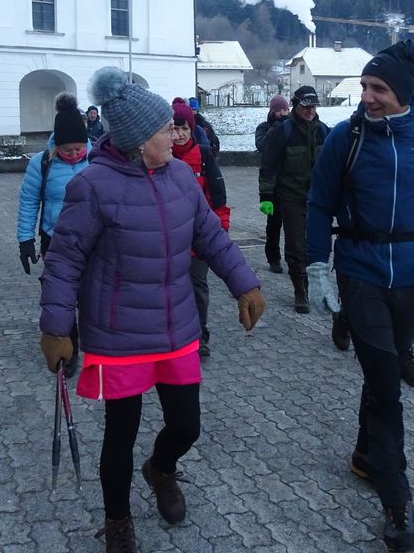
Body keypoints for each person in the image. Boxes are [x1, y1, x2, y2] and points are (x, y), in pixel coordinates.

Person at [38, 67, 265, 552]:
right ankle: (118, 519)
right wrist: (57, 328)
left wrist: (244, 284)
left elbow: (210, 235)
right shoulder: (93, 186)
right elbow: (63, 261)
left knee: (187, 425)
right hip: (118, 333)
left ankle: (160, 468)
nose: (176, 134)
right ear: (141, 141)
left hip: (176, 324)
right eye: (166, 128)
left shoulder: (181, 175)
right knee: (120, 434)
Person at [305, 40, 414, 552]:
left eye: (378, 88)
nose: (367, 96)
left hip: (411, 276)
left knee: (383, 372)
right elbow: (318, 204)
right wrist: (318, 269)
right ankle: (396, 498)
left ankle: (366, 454)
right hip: (359, 272)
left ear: (403, 92)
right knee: (387, 384)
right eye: (364, 86)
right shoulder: (346, 139)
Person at [16, 93, 91, 377]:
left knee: (91, 296)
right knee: (61, 299)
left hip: (94, 240)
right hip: (56, 240)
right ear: (56, 145)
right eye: (67, 150)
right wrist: (25, 239)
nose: (73, 154)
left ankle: (98, 345)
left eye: (78, 149)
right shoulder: (42, 163)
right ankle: (68, 350)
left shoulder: (98, 159)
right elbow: (29, 201)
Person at [258, 85, 329, 313]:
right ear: (296, 106)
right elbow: (268, 166)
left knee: (316, 245)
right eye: (306, 106)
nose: (310, 111)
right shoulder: (282, 132)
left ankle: (316, 283)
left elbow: (334, 167)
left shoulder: (324, 132)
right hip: (290, 197)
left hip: (317, 200)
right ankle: (300, 291)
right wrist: (266, 196)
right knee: (296, 246)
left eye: (313, 106)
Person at [171, 99, 231, 359]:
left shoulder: (204, 156)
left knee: (197, 286)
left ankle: (199, 334)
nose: (180, 134)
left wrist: (221, 229)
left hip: (199, 237)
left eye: (184, 128)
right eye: (174, 128)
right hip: (170, 239)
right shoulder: (160, 157)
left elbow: (218, 196)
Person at [254, 95, 291, 273]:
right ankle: (273, 258)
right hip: (272, 183)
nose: (283, 113)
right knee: (274, 224)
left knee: (294, 225)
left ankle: (294, 258)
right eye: (279, 110)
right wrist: (275, 129)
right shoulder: (264, 127)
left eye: (285, 110)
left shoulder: (292, 126)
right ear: (272, 111)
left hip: (290, 183)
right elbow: (261, 145)